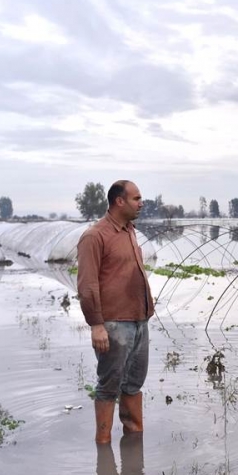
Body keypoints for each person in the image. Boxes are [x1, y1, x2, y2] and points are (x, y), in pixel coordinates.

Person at [77, 180, 154, 445]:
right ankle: (103, 445)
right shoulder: (95, 236)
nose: (141, 203)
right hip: (113, 325)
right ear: (119, 201)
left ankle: (134, 443)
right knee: (109, 387)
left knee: (133, 384)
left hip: (139, 321)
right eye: (136, 198)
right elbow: (87, 286)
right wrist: (96, 325)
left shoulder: (129, 231)